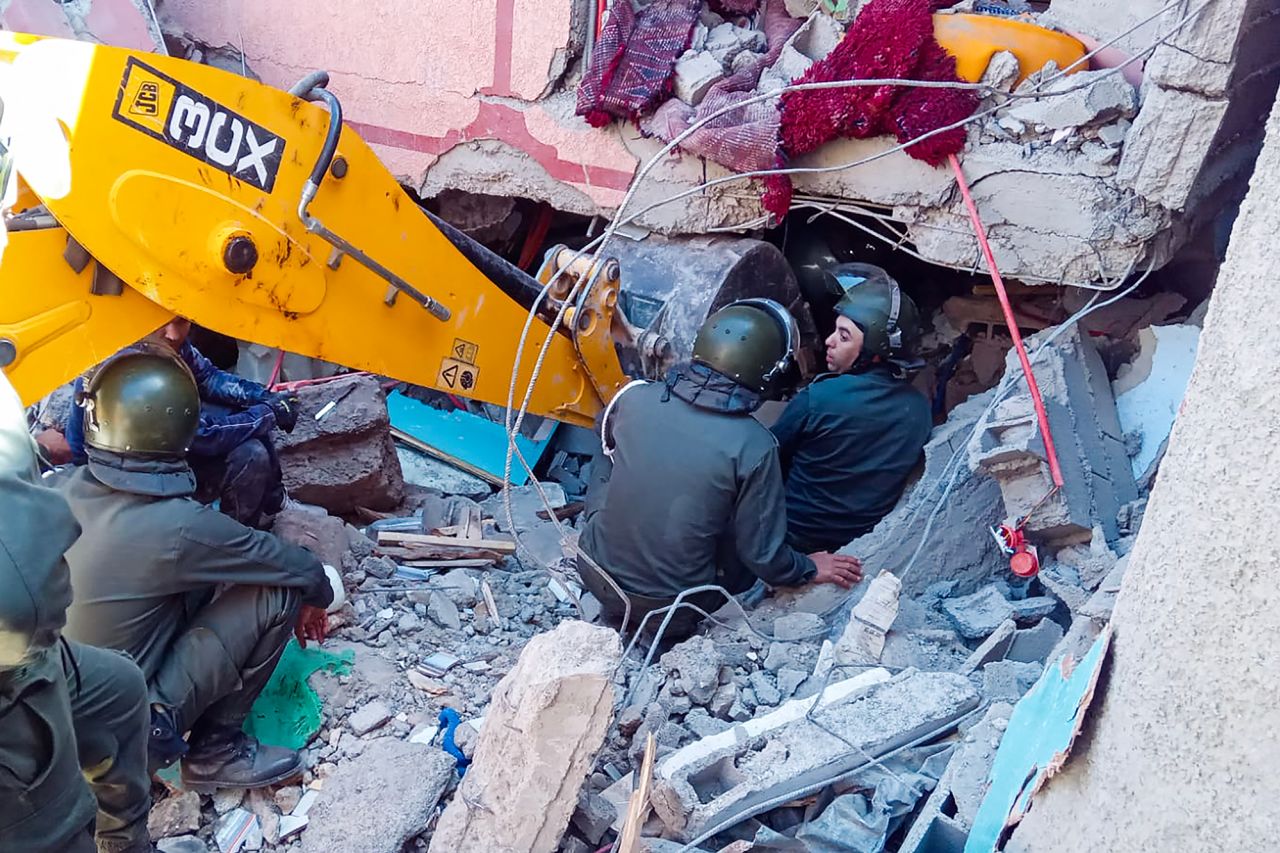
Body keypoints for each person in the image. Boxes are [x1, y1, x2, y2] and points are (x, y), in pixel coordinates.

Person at [59, 346, 345, 791]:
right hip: (121, 743)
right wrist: (316, 599)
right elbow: (299, 569)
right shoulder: (180, 528)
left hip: (39, 737)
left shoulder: (57, 490)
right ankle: (215, 752)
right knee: (277, 591)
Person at [577, 298, 863, 642]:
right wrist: (808, 567)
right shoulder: (755, 446)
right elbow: (763, 557)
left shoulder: (633, 398)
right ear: (768, 371)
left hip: (592, 573)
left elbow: (601, 437)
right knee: (738, 531)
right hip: (671, 610)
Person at [0, 370, 154, 853]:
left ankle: (126, 845)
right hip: (12, 658)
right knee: (53, 824)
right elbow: (22, 600)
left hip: (30, 647)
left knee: (119, 691)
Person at [63, 317, 300, 528]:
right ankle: (228, 545)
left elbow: (208, 378)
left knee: (248, 425)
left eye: (181, 321)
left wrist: (265, 397)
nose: (174, 333)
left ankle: (262, 513)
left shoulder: (163, 343)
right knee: (251, 451)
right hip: (118, 477)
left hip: (161, 455)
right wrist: (268, 413)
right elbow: (203, 435)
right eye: (163, 322)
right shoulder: (125, 363)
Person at [771, 264, 933, 554]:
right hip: (858, 543)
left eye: (844, 337)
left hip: (791, 535)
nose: (829, 341)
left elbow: (768, 456)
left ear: (873, 352)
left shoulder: (819, 397)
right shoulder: (920, 409)